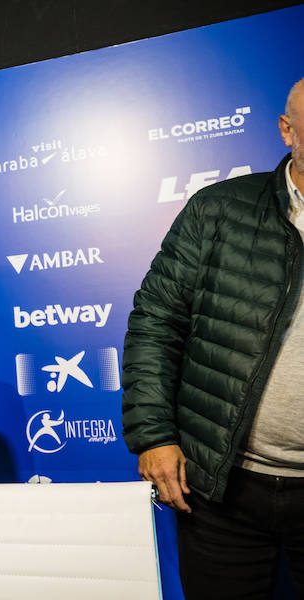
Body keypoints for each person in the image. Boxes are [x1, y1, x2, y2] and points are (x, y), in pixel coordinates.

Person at [122, 78, 304, 599]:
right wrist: (154, 435)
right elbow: (156, 322)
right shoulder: (218, 210)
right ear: (287, 131)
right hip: (223, 490)